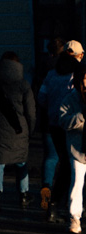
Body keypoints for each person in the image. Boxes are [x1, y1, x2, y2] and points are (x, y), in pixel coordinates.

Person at [0, 54, 36, 209]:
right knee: (21, 162)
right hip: (19, 130)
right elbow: (30, 112)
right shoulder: (23, 85)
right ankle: (23, 193)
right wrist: (31, 129)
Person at [37, 47, 78, 221]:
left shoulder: (51, 75)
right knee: (74, 165)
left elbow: (41, 98)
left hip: (54, 124)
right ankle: (72, 204)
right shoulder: (76, 75)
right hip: (74, 124)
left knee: (63, 163)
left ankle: (54, 205)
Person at [56, 64, 86, 234]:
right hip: (77, 146)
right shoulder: (71, 99)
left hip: (78, 145)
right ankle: (75, 217)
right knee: (77, 182)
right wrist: (81, 116)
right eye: (83, 78)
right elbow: (63, 121)